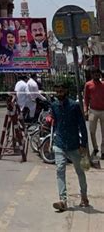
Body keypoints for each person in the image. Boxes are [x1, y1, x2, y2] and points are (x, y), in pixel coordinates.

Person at [51, 81, 89, 212]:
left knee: (80, 171)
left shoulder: (74, 106)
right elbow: (56, 123)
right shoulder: (54, 105)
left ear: (66, 91)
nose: (59, 94)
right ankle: (63, 200)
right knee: (60, 170)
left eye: (61, 91)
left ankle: (84, 196)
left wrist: (83, 144)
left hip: (74, 145)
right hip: (60, 144)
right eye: (57, 91)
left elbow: (82, 126)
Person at [84, 66, 104, 160]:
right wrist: (85, 110)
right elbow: (86, 99)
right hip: (92, 111)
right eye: (94, 73)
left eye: (98, 73)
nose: (96, 75)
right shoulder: (88, 85)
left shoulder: (103, 84)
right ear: (92, 74)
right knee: (92, 131)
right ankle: (95, 148)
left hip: (103, 111)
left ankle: (103, 151)